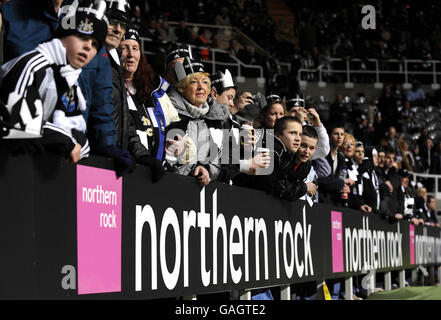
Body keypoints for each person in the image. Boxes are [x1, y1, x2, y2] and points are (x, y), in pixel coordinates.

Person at [0, 0, 134, 177]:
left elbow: (100, 104)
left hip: (67, 159)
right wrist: (54, 137)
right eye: (83, 39)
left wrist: (107, 147)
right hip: (13, 156)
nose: (87, 46)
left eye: (92, 43)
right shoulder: (7, 15)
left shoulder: (91, 24)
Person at [120, 27, 188, 182]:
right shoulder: (110, 86)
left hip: (154, 176)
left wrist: (180, 144)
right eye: (124, 48)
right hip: (124, 172)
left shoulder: (154, 89)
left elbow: (176, 126)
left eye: (135, 48)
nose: (131, 54)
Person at [166, 57, 230, 186]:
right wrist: (193, 169)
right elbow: (170, 162)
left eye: (205, 82)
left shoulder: (212, 120)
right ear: (182, 88)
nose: (201, 87)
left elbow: (219, 160)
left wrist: (207, 170)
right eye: (194, 82)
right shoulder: (171, 115)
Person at [318, 124, 351, 206]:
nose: (339, 137)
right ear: (329, 136)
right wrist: (341, 183)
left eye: (342, 134)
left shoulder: (341, 157)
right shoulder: (321, 153)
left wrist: (344, 187)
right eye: (336, 134)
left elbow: (339, 178)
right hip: (320, 200)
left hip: (334, 202)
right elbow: (319, 180)